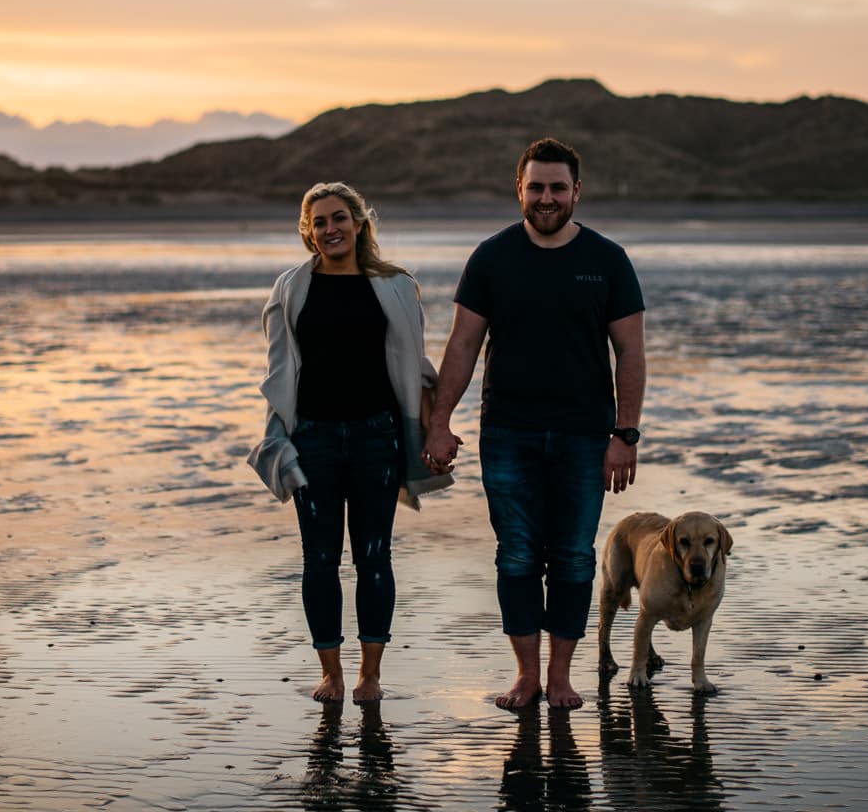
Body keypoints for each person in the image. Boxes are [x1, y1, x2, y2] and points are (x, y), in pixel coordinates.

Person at [422, 138, 645, 710]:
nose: (547, 199)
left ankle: (562, 676)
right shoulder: (492, 258)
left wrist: (625, 435)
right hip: (508, 434)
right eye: (537, 187)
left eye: (558, 188)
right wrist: (439, 422)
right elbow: (463, 345)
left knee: (572, 556)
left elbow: (632, 353)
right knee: (517, 555)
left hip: (583, 436)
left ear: (576, 192)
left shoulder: (608, 261)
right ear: (519, 189)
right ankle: (525, 675)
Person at [249, 182, 452, 703]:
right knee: (318, 559)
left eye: (339, 218)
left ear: (360, 224)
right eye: (318, 222)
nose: (330, 229)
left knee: (373, 556)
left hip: (376, 437)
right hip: (311, 437)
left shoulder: (396, 286)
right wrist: (279, 435)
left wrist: (432, 428)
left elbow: (415, 367)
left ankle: (370, 674)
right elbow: (278, 371)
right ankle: (332, 674)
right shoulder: (290, 288)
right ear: (308, 232)